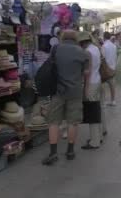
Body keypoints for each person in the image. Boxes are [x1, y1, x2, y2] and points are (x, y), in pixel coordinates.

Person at [42, 30, 89, 165]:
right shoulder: (83, 52)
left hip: (57, 91)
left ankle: (53, 153)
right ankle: (70, 151)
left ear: (62, 37)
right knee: (72, 122)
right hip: (75, 92)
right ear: (76, 38)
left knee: (54, 122)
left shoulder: (56, 49)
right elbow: (85, 73)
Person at [78, 32, 103, 150]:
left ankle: (95, 141)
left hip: (91, 83)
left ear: (82, 42)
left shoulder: (87, 52)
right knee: (98, 108)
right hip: (97, 80)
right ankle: (100, 134)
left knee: (92, 112)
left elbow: (87, 72)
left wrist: (86, 89)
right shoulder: (96, 49)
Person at [101, 32, 117, 106]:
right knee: (112, 85)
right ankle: (113, 100)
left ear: (104, 37)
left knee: (103, 85)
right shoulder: (114, 46)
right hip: (113, 67)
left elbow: (102, 58)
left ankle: (104, 101)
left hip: (106, 68)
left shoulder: (104, 46)